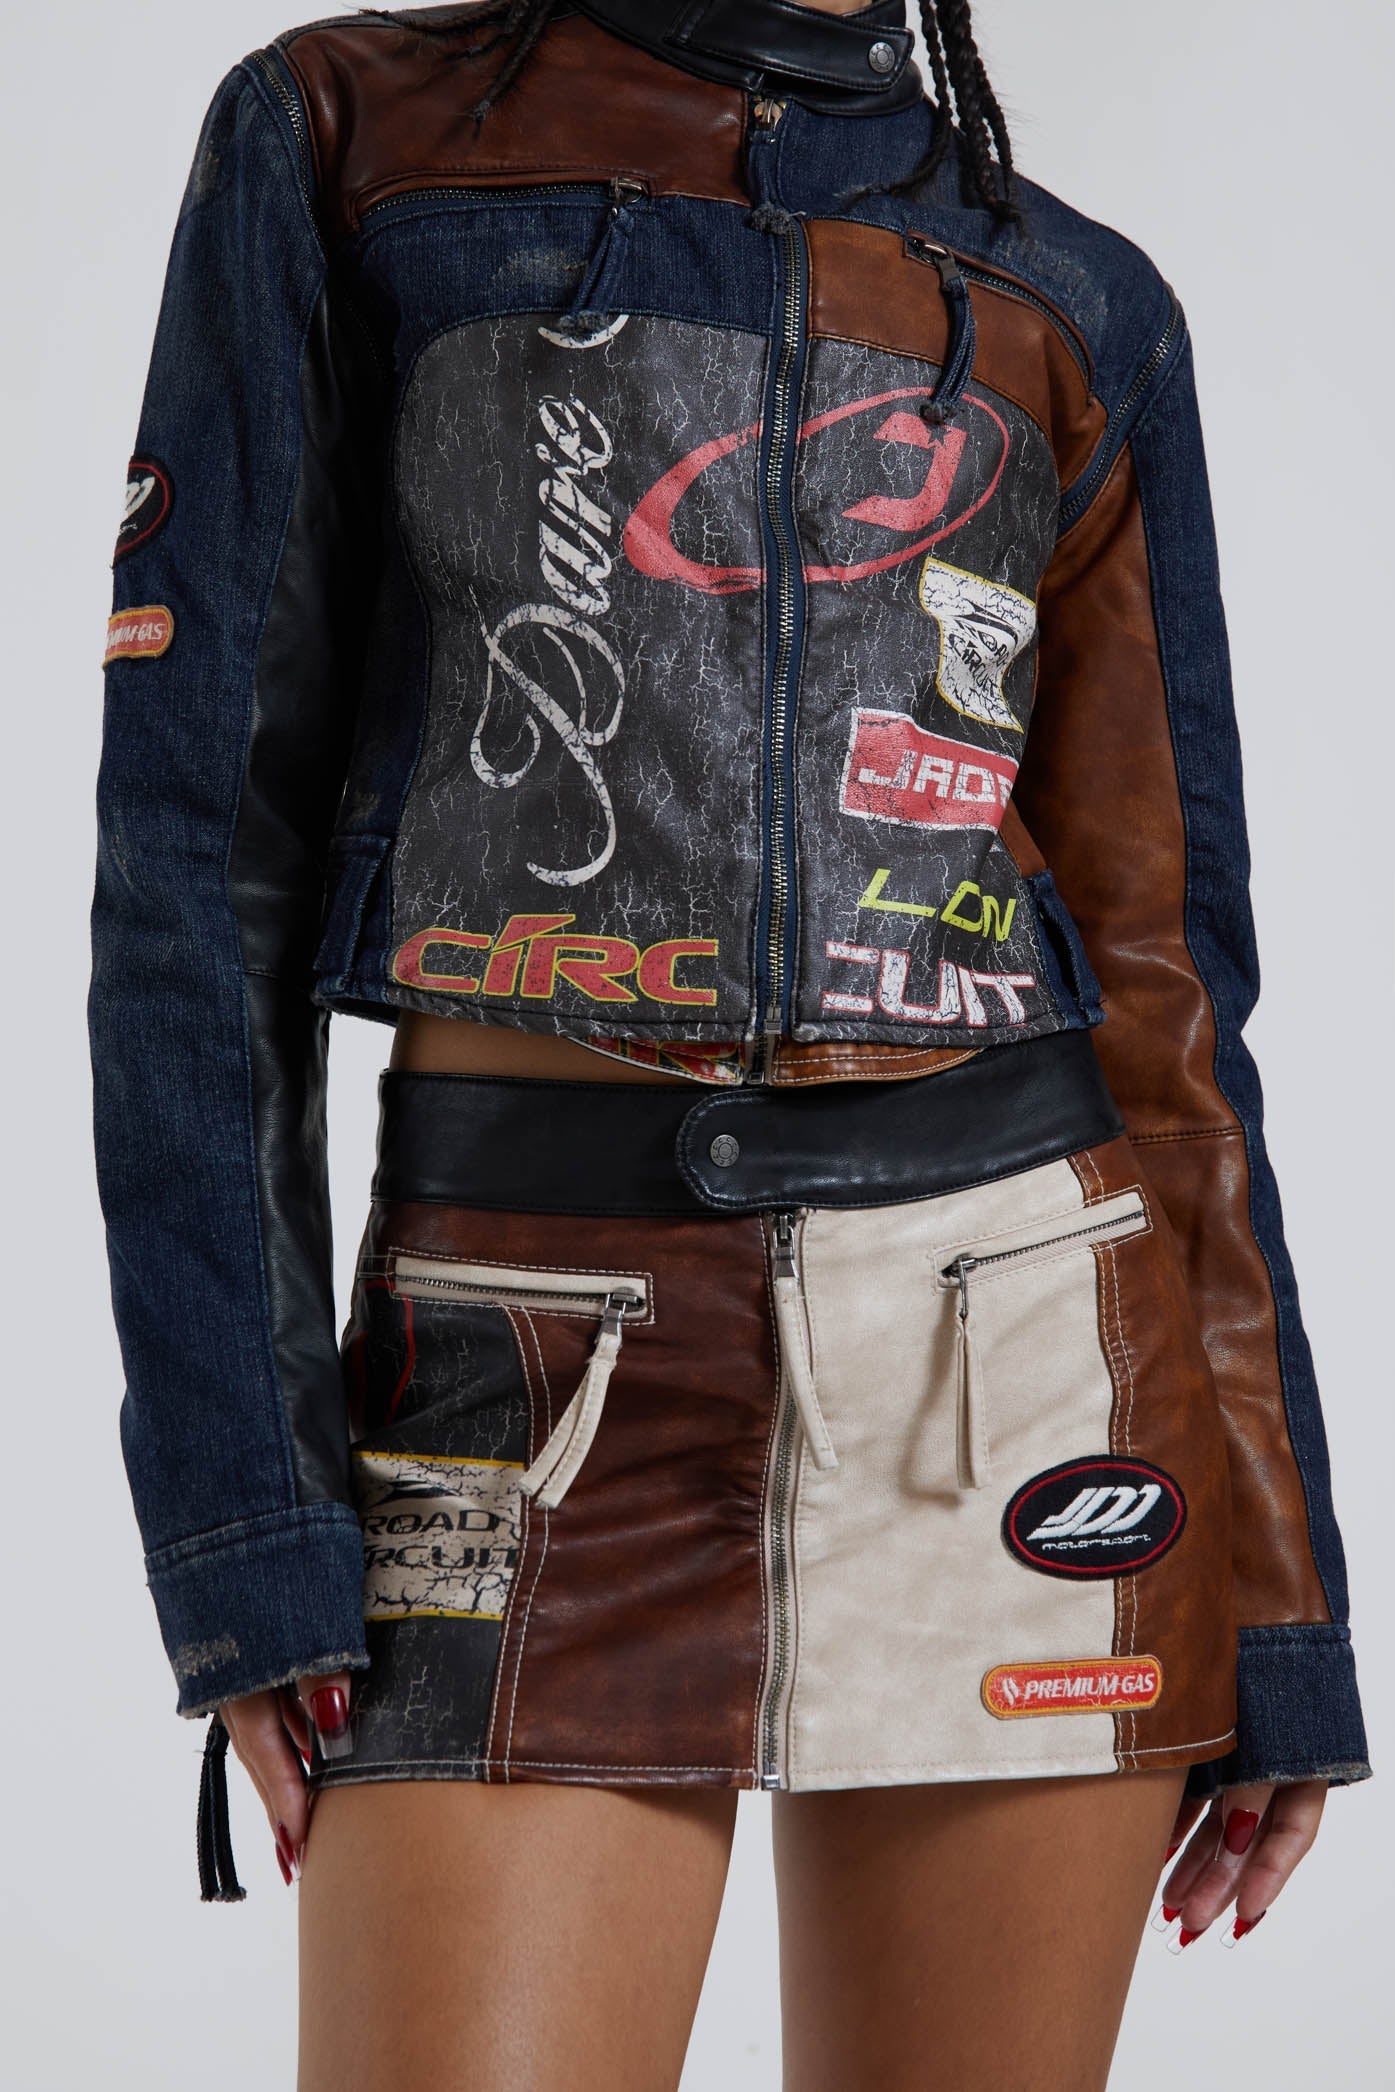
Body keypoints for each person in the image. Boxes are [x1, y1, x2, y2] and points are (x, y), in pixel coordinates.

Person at [89, 2, 1370, 2085]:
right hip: (520, 1370)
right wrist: (246, 1514)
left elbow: (1166, 990)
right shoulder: (357, 141)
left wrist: (1283, 1603)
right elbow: (188, 867)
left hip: (1026, 1378)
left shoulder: (1069, 294)